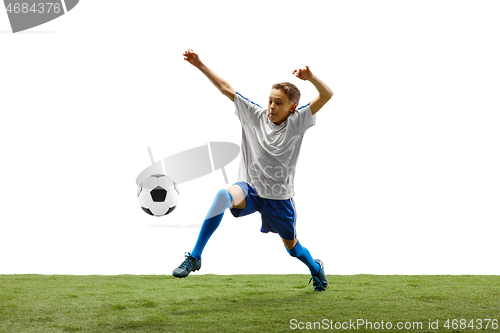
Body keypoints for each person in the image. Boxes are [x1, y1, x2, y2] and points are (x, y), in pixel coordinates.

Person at [172, 49, 333, 291]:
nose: (271, 106)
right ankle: (195, 257)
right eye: (270, 100)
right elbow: (227, 89)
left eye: (279, 103)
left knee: (293, 249)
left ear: (292, 107)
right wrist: (199, 64)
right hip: (251, 190)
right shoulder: (254, 115)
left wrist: (311, 78)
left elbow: (327, 95)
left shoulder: (298, 121)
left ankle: (315, 267)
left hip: (279, 199)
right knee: (222, 196)